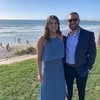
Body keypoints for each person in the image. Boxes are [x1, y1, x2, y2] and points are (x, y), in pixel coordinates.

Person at [63, 12, 96, 100]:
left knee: (81, 93)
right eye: (70, 20)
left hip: (82, 69)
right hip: (67, 69)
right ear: (67, 22)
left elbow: (93, 53)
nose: (72, 22)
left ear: (79, 20)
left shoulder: (88, 35)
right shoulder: (63, 34)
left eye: (75, 19)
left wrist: (88, 68)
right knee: (68, 93)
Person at [36, 15, 67, 100]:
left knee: (59, 92)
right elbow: (39, 57)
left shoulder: (61, 37)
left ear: (58, 24)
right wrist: (39, 74)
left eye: (55, 23)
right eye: (51, 23)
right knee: (47, 93)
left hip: (60, 71)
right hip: (47, 72)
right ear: (47, 25)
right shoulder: (42, 39)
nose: (53, 25)